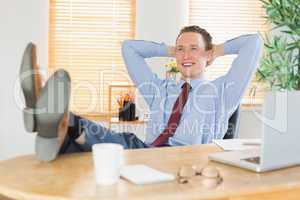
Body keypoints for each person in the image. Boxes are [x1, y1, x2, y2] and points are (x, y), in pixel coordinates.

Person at [20, 25, 263, 161]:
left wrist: (214, 50)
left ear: (208, 56)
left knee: (102, 143)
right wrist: (173, 50)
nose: (186, 55)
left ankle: (50, 119)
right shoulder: (160, 88)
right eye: (181, 50)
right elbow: (129, 49)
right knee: (108, 143)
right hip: (144, 152)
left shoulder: (223, 92)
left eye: (193, 49)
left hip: (187, 160)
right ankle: (56, 122)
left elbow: (253, 43)